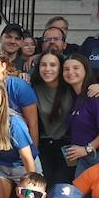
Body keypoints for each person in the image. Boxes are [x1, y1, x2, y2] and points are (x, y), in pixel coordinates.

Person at [62, 53, 99, 176]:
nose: (70, 72)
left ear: (86, 70)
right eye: (66, 69)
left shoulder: (95, 95)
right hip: (83, 159)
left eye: (76, 68)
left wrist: (88, 148)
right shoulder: (76, 97)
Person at [0, 51, 39, 143]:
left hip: (21, 142)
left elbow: (33, 123)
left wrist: (33, 149)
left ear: (3, 66)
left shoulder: (19, 87)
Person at [31, 50, 74, 186]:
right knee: (44, 186)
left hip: (67, 146)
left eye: (53, 65)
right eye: (43, 65)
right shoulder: (33, 88)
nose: (47, 69)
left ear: (61, 68)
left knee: (61, 187)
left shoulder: (71, 88)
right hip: (44, 145)